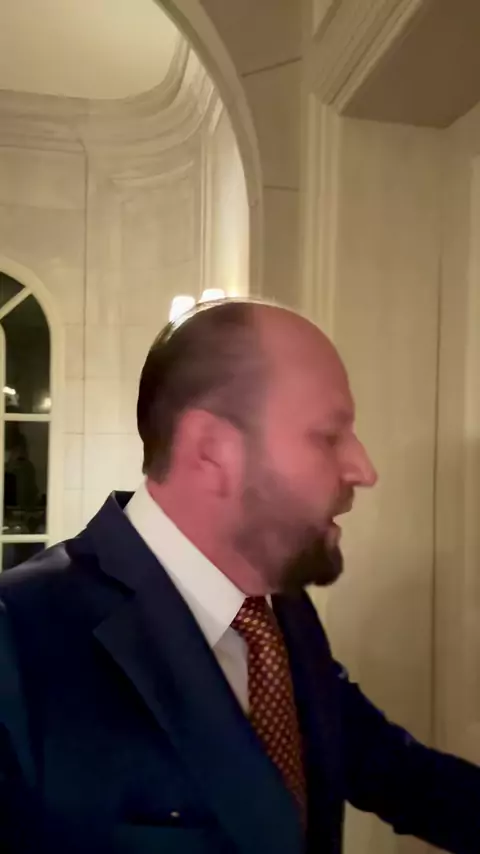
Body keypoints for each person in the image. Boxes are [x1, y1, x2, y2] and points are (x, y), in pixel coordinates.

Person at [0, 300, 478, 854]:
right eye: (328, 435)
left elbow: (393, 770)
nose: (363, 469)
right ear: (213, 450)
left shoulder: (279, 609)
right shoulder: (17, 637)